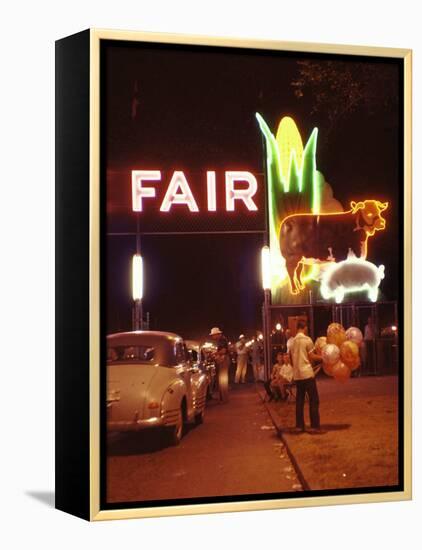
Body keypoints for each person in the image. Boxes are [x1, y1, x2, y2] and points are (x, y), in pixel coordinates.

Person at [290, 320, 324, 434]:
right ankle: (314, 426)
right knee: (314, 400)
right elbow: (312, 356)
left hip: (297, 375)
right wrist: (323, 358)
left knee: (299, 401)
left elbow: (291, 359)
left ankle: (299, 425)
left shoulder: (292, 342)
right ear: (304, 328)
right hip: (307, 374)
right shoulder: (307, 340)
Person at [209, 327, 230, 402]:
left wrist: (215, 353)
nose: (212, 337)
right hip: (224, 360)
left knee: (223, 379)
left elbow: (224, 351)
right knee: (222, 379)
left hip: (224, 360)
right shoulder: (222, 340)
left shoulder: (222, 340)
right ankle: (223, 398)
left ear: (217, 334)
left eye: (213, 335)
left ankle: (224, 398)